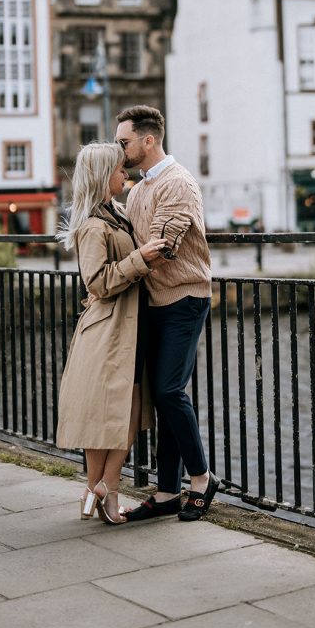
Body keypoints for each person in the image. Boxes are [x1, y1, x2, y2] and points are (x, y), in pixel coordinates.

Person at [115, 105, 219, 522]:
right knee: (163, 395)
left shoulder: (179, 183)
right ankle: (166, 492)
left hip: (184, 298)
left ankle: (201, 479)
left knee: (169, 392)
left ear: (148, 140)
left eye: (124, 142)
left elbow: (162, 247)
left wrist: (114, 277)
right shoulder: (138, 190)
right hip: (153, 302)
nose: (119, 149)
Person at [56, 142, 167, 524]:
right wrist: (141, 259)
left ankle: (100, 490)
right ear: (104, 176)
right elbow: (98, 282)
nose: (127, 174)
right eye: (121, 170)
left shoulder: (115, 215)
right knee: (108, 415)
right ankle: (103, 489)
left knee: (125, 413)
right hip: (109, 333)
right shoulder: (92, 226)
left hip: (126, 328)